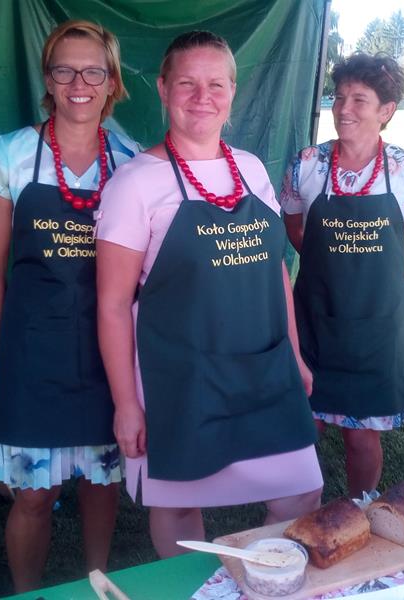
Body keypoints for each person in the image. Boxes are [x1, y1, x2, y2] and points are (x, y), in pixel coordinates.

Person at [95, 30, 322, 558]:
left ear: (233, 92)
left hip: (262, 369)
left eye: (216, 84)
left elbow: (275, 273)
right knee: (179, 509)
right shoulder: (134, 184)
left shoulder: (251, 169)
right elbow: (111, 305)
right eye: (187, 84)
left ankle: (260, 580)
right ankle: (196, 590)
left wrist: (293, 354)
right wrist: (126, 404)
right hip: (180, 379)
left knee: (301, 493)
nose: (203, 97)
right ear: (162, 88)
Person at [0, 20, 138, 592]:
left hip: (105, 353)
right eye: (65, 70)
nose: (79, 84)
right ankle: (28, 593)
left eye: (93, 71)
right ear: (48, 79)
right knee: (33, 496)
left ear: (112, 82)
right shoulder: (11, 155)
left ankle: (97, 584)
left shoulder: (130, 160)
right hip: (31, 353)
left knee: (101, 484)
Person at [280, 53, 404, 498]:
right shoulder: (307, 164)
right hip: (315, 318)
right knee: (303, 425)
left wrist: (376, 279)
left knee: (362, 436)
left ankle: (359, 509)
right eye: (339, 97)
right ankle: (297, 511)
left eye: (359, 100)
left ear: (386, 110)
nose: (343, 109)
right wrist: (335, 271)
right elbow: (295, 228)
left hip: (377, 327)